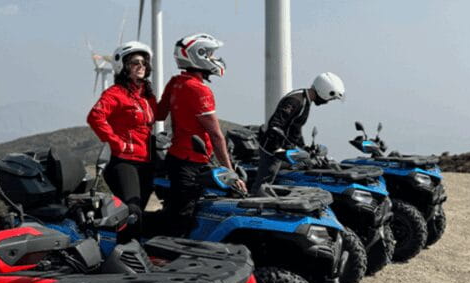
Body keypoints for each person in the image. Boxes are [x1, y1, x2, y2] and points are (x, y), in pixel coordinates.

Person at [154, 33, 244, 236]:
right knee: (184, 219)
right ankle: (169, 260)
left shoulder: (176, 82)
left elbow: (158, 114)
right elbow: (216, 135)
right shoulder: (199, 90)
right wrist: (231, 173)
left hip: (176, 158)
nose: (215, 59)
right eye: (210, 54)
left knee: (176, 212)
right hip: (192, 162)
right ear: (198, 55)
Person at [87, 41, 157, 240]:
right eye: (135, 62)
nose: (141, 66)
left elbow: (158, 114)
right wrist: (117, 143)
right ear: (123, 66)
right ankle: (125, 254)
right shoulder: (114, 94)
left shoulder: (146, 97)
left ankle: (127, 250)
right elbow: (95, 117)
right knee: (132, 210)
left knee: (137, 213)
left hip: (146, 162)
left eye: (144, 62)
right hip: (124, 162)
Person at [250, 72, 345, 195]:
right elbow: (276, 125)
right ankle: (254, 205)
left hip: (283, 147)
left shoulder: (305, 100)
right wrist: (279, 149)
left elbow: (295, 128)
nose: (328, 102)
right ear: (325, 92)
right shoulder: (295, 101)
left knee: (304, 165)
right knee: (264, 183)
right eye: (331, 98)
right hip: (272, 148)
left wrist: (304, 147)